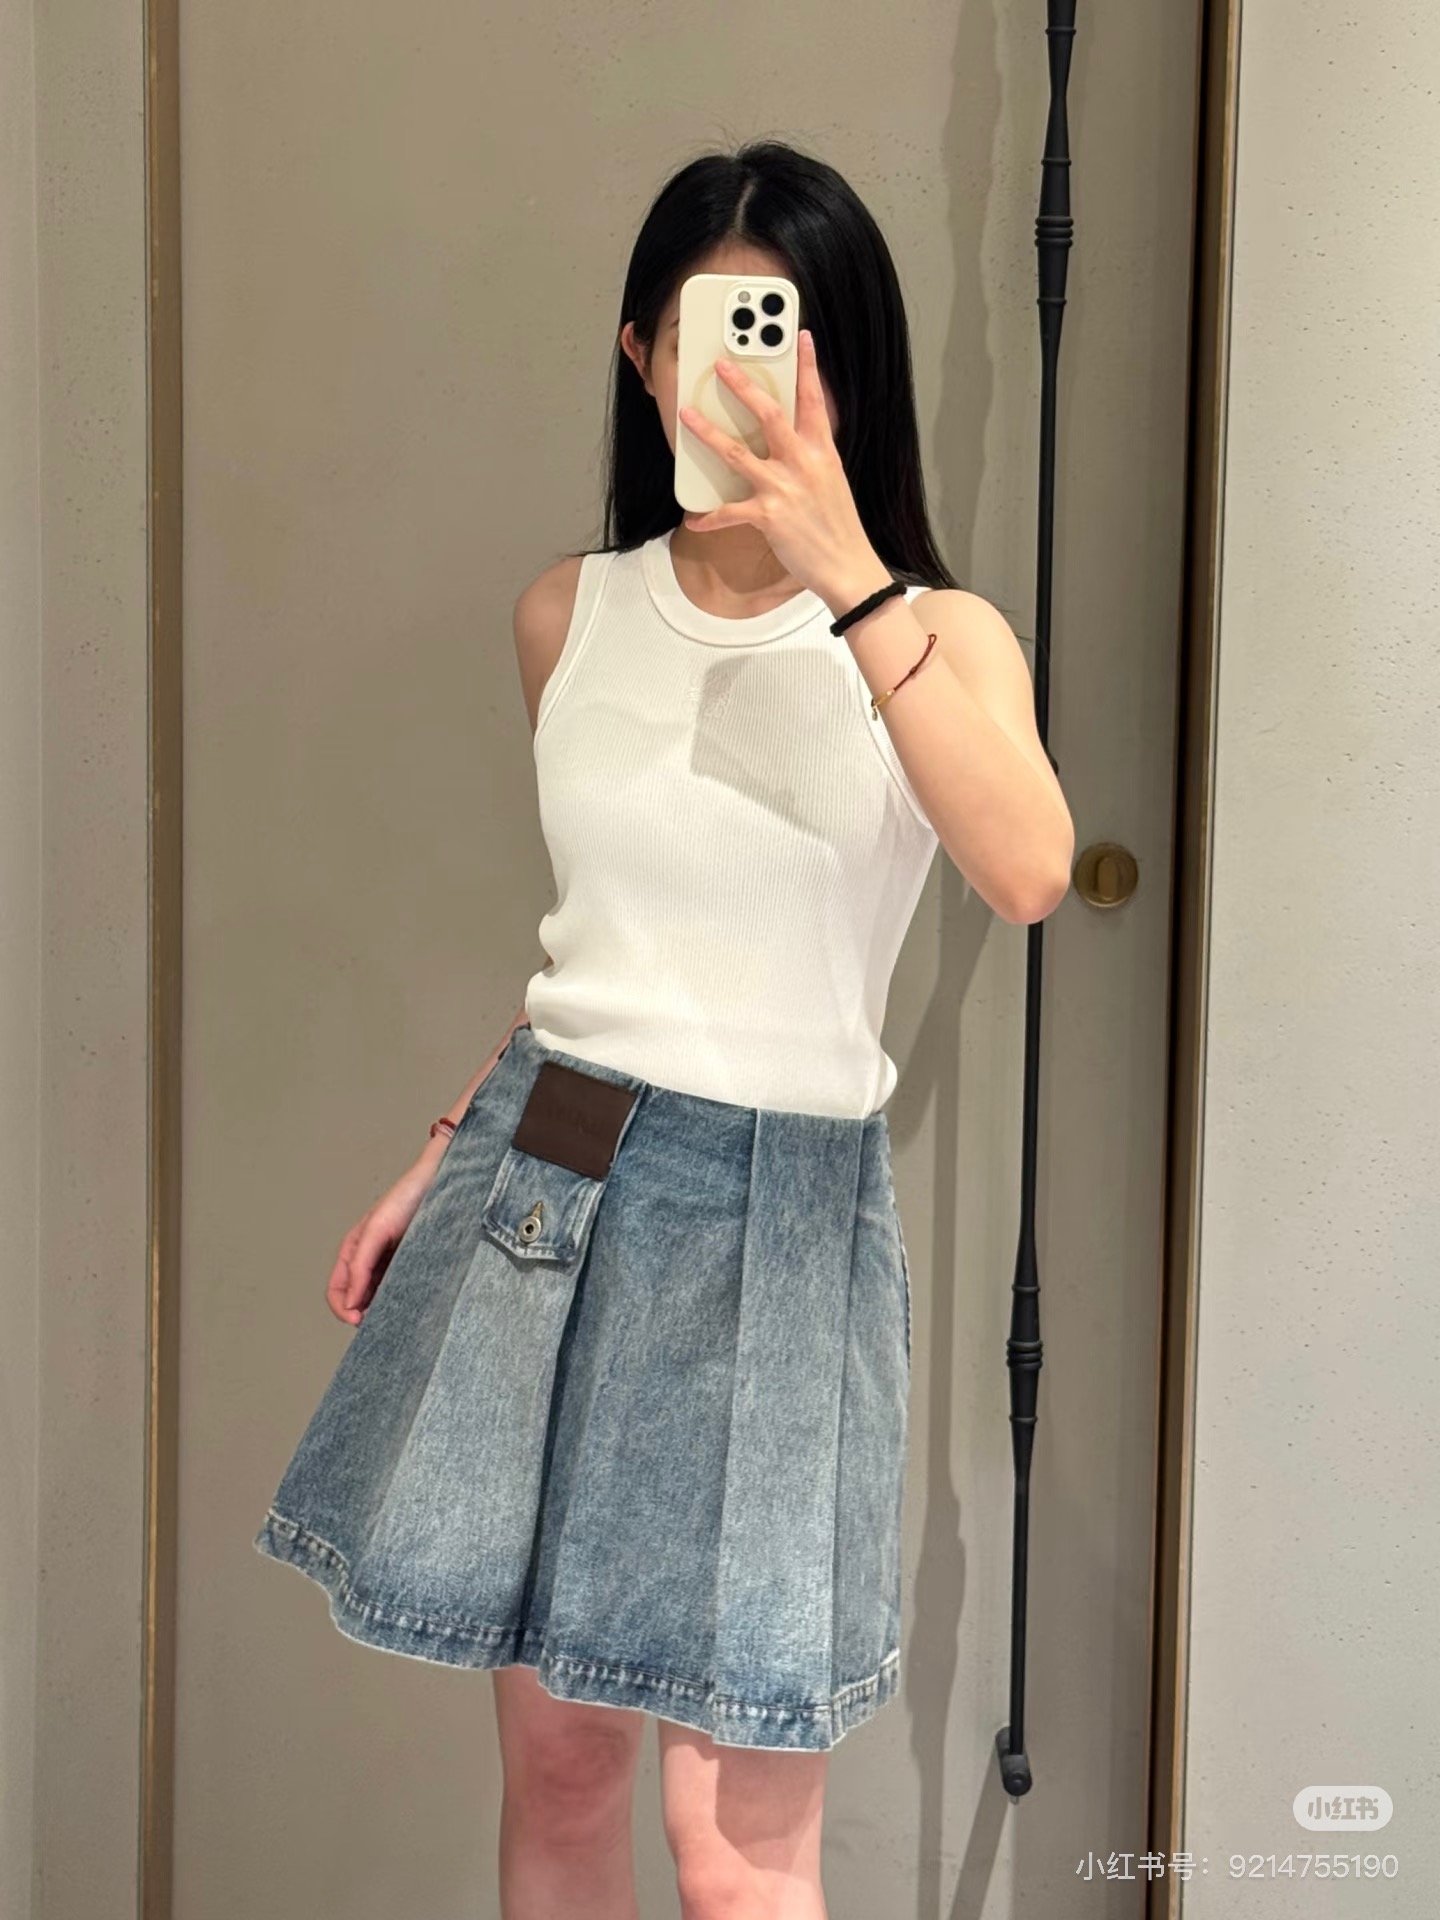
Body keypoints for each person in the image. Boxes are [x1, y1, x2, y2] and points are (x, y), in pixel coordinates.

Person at [253, 139, 1073, 1920]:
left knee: (739, 1854)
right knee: (559, 1777)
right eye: (707, 340)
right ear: (642, 354)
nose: (747, 389)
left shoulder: (938, 636)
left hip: (782, 1222)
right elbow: (609, 953)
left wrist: (846, 570)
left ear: (848, 369)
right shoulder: (572, 614)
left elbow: (1027, 872)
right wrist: (444, 1149)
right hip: (546, 1174)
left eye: (790, 344)